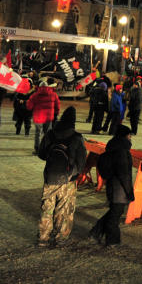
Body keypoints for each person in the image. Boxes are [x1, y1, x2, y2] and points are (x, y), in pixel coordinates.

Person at [36, 106, 87, 248]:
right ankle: (60, 239)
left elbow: (41, 154)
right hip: (68, 179)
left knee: (47, 208)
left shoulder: (51, 134)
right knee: (63, 210)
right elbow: (82, 162)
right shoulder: (76, 137)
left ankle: (43, 238)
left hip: (50, 176)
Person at [88, 125, 134, 246]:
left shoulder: (113, 147)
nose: (130, 138)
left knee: (114, 211)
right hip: (119, 188)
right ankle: (112, 240)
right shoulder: (122, 152)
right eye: (129, 135)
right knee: (115, 214)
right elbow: (124, 174)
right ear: (125, 136)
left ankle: (95, 232)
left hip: (112, 186)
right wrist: (129, 192)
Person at [27, 78, 61, 155]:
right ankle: (47, 149)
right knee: (47, 133)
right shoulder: (53, 94)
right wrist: (56, 112)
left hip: (38, 116)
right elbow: (57, 105)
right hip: (49, 116)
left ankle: (37, 149)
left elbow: (29, 106)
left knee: (38, 133)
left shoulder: (35, 95)